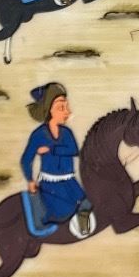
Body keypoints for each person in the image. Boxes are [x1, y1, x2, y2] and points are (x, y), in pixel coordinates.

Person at [20, 83, 94, 235]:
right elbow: (26, 159)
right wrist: (30, 180)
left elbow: (74, 151)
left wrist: (52, 149)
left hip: (69, 181)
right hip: (50, 182)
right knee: (61, 210)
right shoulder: (39, 134)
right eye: (61, 107)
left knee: (87, 202)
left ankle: (82, 225)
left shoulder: (67, 133)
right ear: (49, 110)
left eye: (67, 106)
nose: (68, 112)